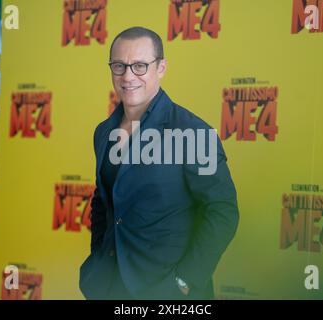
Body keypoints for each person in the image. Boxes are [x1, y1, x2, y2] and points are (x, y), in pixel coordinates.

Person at [79, 26, 239, 300]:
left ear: (161, 67)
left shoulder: (192, 132)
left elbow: (222, 211)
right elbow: (103, 201)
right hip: (109, 286)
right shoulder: (104, 132)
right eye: (119, 66)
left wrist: (184, 281)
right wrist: (98, 259)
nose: (128, 76)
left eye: (140, 66)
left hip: (168, 291)